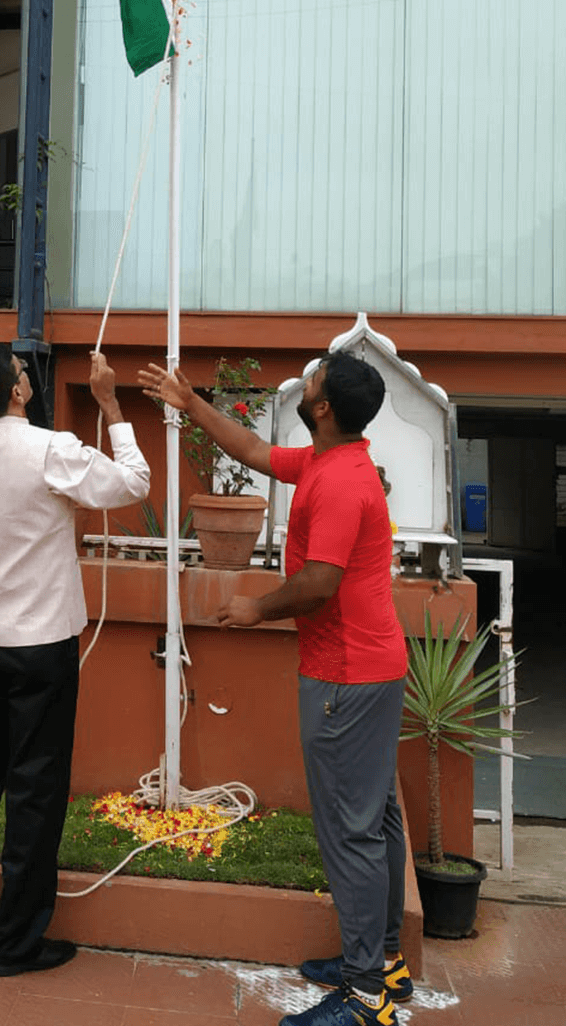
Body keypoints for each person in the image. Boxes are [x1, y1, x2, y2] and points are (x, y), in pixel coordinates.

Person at [139, 350, 410, 1026]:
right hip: (368, 667)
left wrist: (255, 606)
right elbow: (256, 449)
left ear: (322, 407)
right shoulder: (327, 458)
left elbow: (320, 582)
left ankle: (366, 996)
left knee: (353, 831)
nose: (307, 379)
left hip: (347, 676)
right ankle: (383, 962)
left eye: (314, 378)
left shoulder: (343, 480)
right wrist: (189, 401)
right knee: (374, 820)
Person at [0, 342, 150, 978]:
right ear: (18, 391)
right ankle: (16, 943)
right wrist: (109, 403)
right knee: (34, 789)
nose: (30, 379)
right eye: (25, 373)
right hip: (42, 643)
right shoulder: (50, 449)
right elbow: (134, 484)